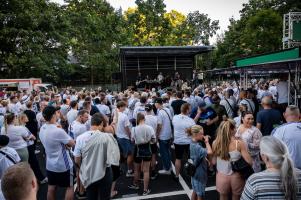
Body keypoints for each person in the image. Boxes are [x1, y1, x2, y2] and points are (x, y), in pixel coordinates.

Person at [74, 113, 120, 200]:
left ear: (91, 123)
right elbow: (114, 157)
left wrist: (83, 168)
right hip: (105, 171)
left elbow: (77, 160)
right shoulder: (107, 137)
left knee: (91, 196)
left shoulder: (80, 138)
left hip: (88, 170)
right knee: (105, 197)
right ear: (102, 124)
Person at [39, 106, 75, 200]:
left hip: (50, 164)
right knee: (70, 187)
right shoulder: (58, 131)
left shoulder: (42, 128)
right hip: (63, 165)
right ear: (54, 115)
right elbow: (71, 143)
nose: (59, 113)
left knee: (51, 188)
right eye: (57, 112)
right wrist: (62, 130)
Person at [212, 119, 252, 200]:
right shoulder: (239, 143)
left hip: (221, 175)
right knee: (236, 197)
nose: (236, 129)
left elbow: (213, 161)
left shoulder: (215, 143)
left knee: (223, 197)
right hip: (237, 175)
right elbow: (249, 162)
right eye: (235, 127)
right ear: (232, 129)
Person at [128, 113, 155, 195]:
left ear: (137, 119)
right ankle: (145, 190)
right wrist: (148, 141)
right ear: (144, 119)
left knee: (137, 169)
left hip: (137, 149)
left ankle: (136, 184)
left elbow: (132, 140)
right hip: (147, 148)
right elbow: (153, 140)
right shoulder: (150, 128)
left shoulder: (134, 129)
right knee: (146, 171)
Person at [18, 113, 47, 184]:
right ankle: (41, 179)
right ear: (22, 119)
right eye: (26, 117)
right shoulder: (23, 128)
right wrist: (30, 138)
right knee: (34, 163)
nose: (27, 117)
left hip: (26, 147)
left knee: (31, 164)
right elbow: (33, 137)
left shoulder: (21, 127)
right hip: (28, 147)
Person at [187, 125, 212, 200]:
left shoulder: (192, 143)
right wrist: (207, 142)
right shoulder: (197, 147)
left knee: (195, 191)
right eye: (201, 134)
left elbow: (198, 156)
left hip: (194, 173)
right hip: (199, 174)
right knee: (200, 195)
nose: (203, 135)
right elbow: (210, 152)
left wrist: (204, 158)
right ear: (195, 134)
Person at [272, 105, 301, 169]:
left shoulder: (278, 130)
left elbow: (272, 152)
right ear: (299, 115)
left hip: (287, 170)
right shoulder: (278, 130)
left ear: (284, 115)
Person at [172, 103, 195, 180]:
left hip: (178, 141)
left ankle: (177, 175)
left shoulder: (175, 118)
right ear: (187, 110)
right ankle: (191, 174)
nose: (191, 110)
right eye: (190, 108)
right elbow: (193, 132)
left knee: (178, 159)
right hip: (188, 142)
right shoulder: (191, 121)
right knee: (190, 158)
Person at [114, 101, 134, 177]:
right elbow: (127, 128)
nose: (125, 108)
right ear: (121, 107)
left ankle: (119, 168)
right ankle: (129, 171)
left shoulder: (115, 115)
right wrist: (130, 136)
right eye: (124, 106)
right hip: (124, 137)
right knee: (130, 154)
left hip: (118, 136)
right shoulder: (124, 116)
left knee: (121, 153)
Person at [155, 98, 173, 175]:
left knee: (164, 153)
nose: (155, 105)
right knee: (167, 151)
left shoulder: (160, 113)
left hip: (163, 135)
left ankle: (167, 168)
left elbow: (159, 126)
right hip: (169, 134)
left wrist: (157, 135)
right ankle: (169, 166)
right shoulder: (167, 109)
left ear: (157, 104)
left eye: (155, 104)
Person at [144, 104, 159, 179]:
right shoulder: (155, 118)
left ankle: (144, 173)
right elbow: (157, 128)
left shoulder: (142, 118)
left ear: (145, 110)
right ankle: (152, 172)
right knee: (153, 156)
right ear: (152, 109)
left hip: (145, 140)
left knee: (145, 156)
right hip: (153, 139)